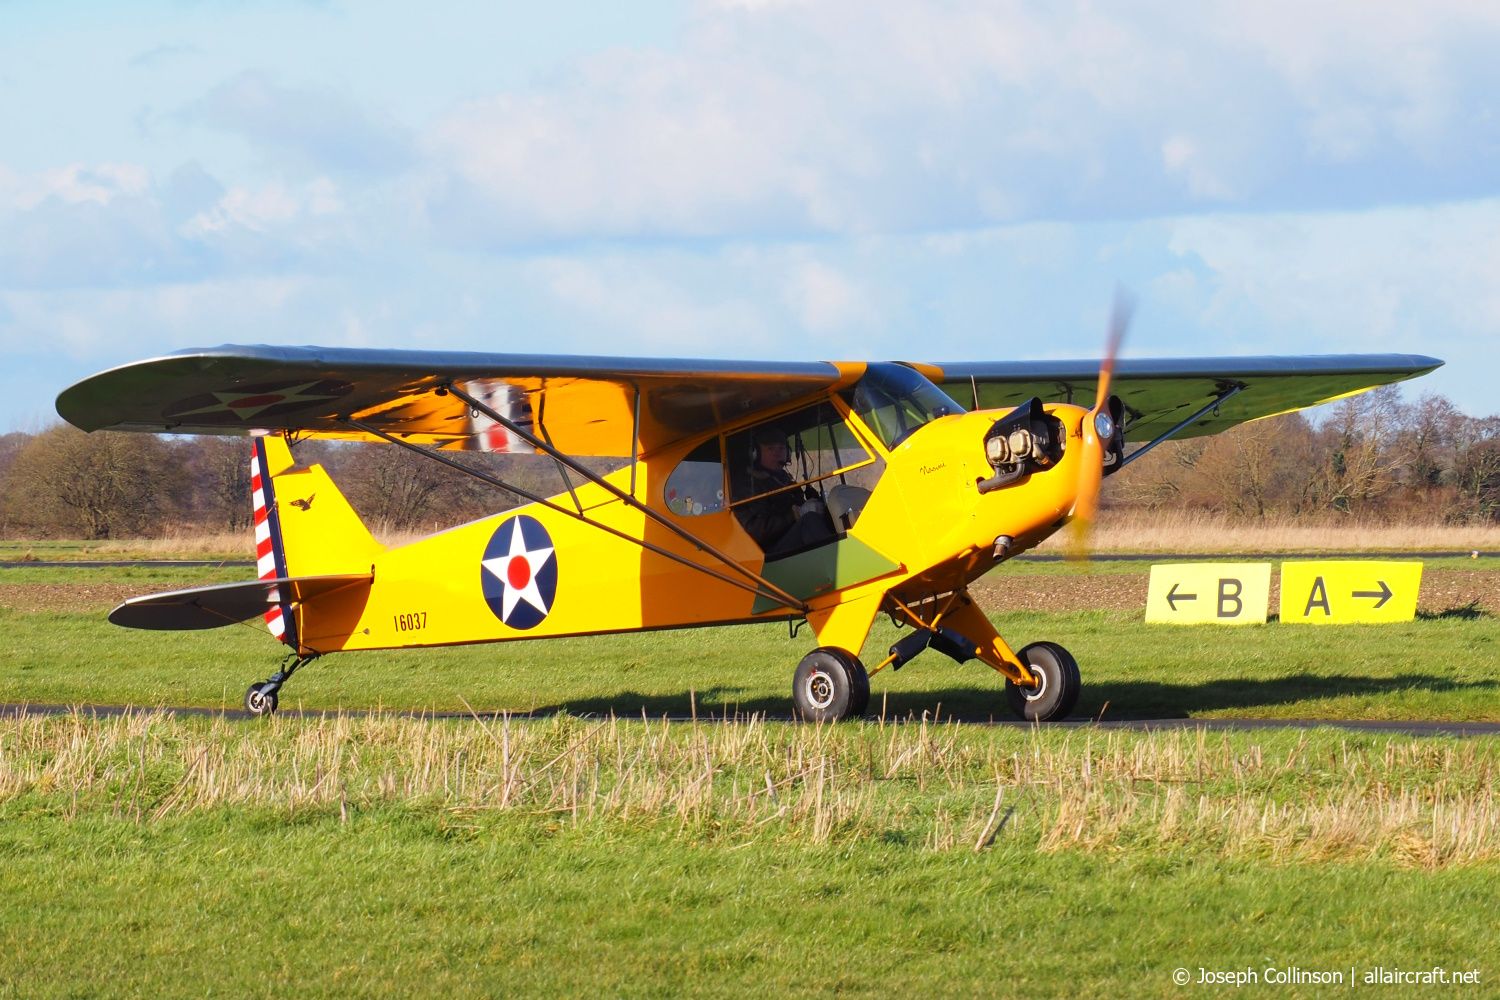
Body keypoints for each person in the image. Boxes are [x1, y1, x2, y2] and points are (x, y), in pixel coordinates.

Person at [734, 427, 835, 558]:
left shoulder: (782, 479)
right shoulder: (745, 486)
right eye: (771, 449)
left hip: (791, 542)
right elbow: (753, 530)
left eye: (781, 448)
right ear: (755, 453)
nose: (777, 454)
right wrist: (795, 514)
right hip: (770, 554)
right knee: (810, 521)